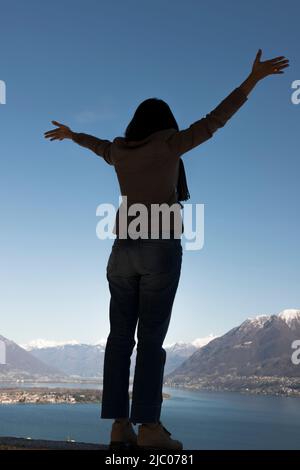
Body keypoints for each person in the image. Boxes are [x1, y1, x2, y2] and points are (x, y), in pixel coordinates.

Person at [44, 49, 289, 450]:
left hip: (121, 253)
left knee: (118, 339)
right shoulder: (170, 146)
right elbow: (215, 121)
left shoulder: (121, 152)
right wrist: (252, 80)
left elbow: (99, 146)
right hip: (159, 250)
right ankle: (150, 429)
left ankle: (118, 426)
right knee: (151, 341)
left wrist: (72, 135)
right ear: (166, 124)